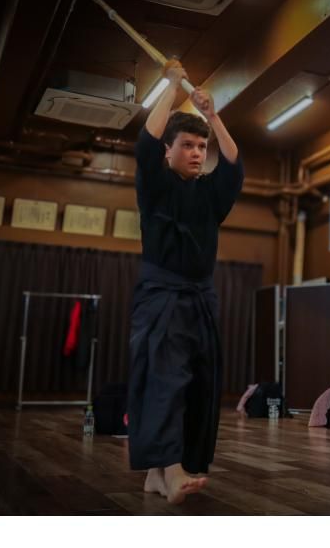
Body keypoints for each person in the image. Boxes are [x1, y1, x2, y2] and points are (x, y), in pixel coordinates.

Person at [127, 60, 243, 504]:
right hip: (161, 296)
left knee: (196, 382)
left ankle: (158, 474)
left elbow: (233, 163)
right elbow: (144, 143)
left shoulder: (210, 194)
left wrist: (212, 116)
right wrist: (172, 86)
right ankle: (171, 470)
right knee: (165, 379)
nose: (197, 153)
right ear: (169, 151)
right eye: (188, 145)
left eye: (201, 146)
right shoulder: (154, 186)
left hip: (201, 299)